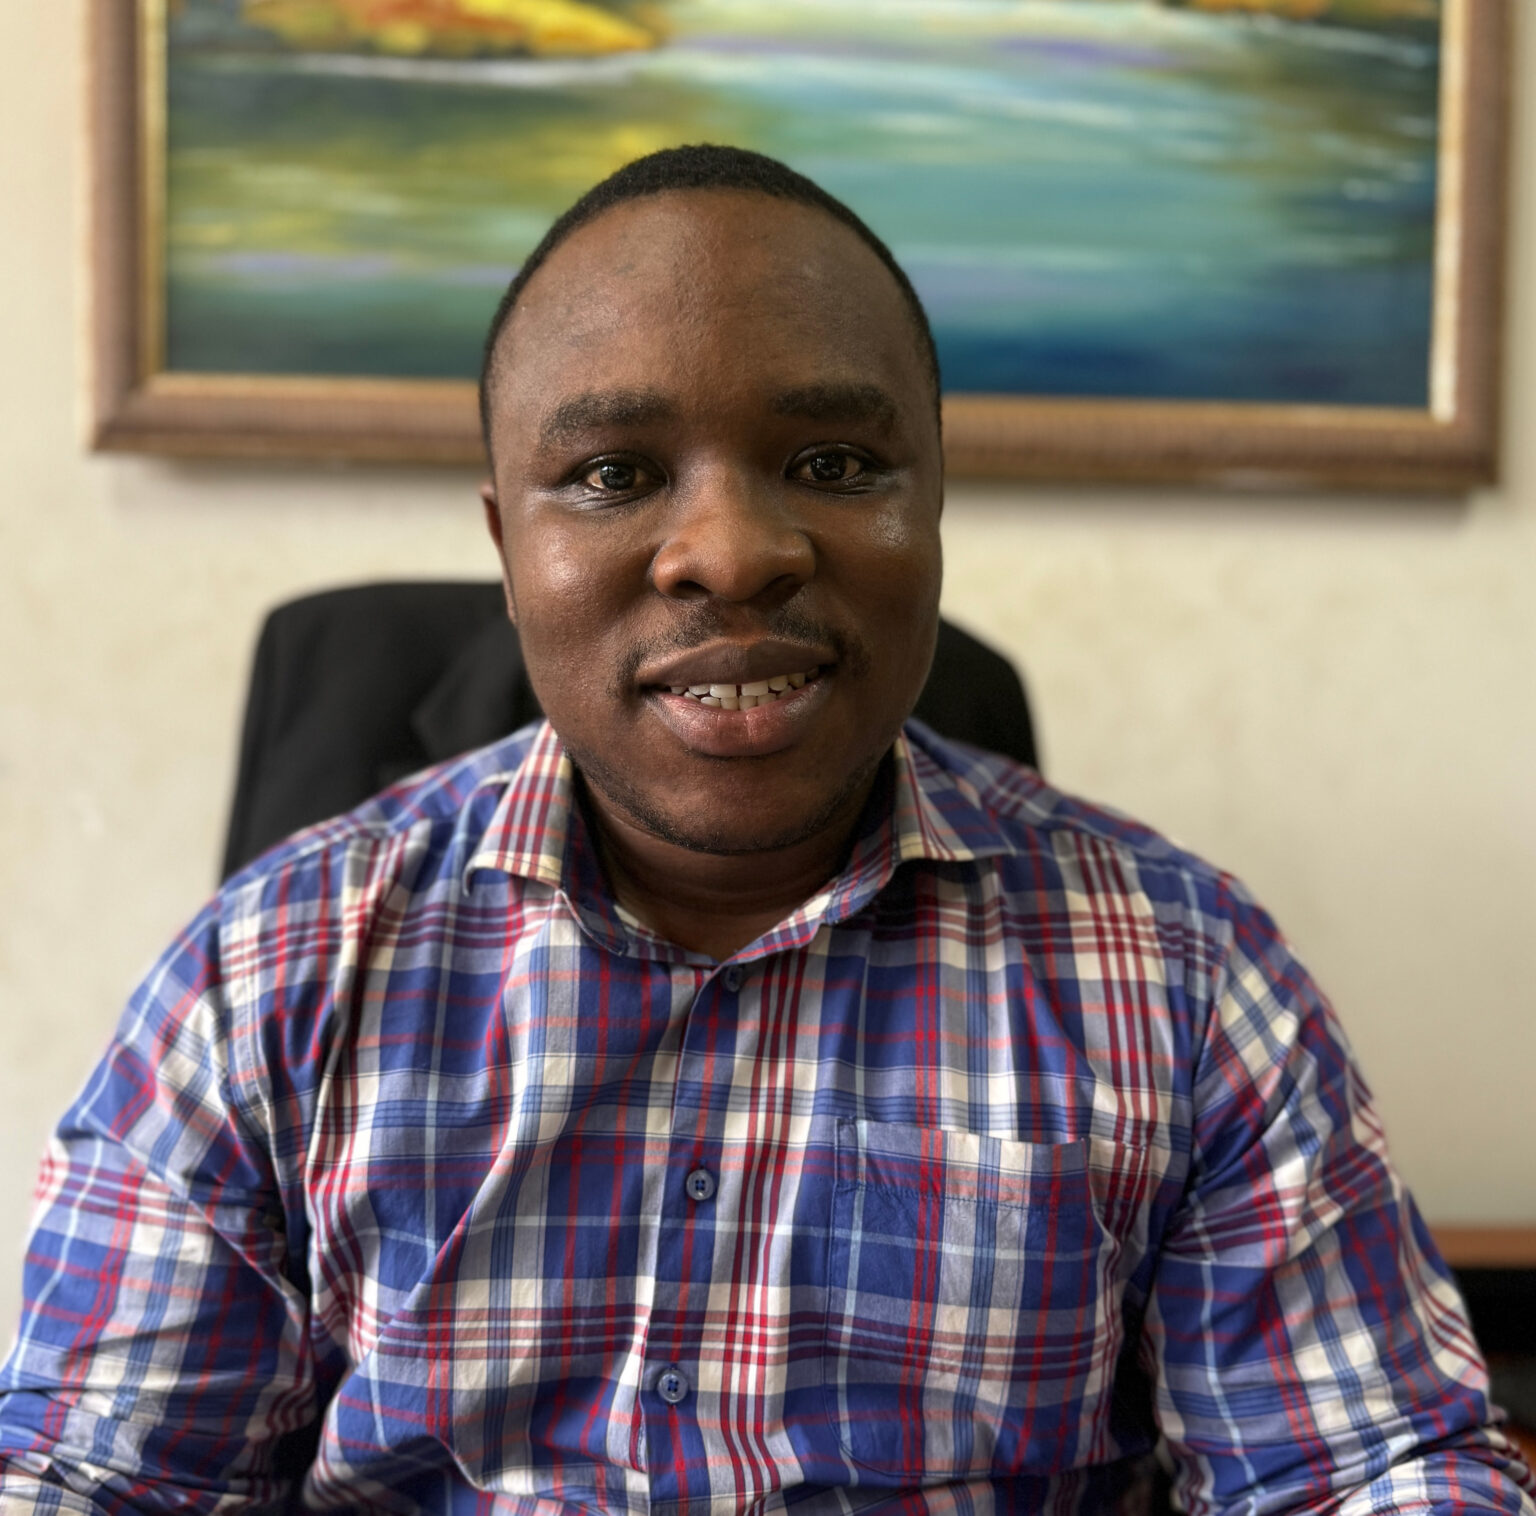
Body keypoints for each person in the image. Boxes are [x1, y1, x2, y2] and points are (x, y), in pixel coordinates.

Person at [0, 145, 1530, 1516]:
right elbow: (88, 1475)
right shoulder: (270, 973)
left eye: (834, 464)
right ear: (508, 550)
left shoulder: (1185, 976)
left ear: (935, 502)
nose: (731, 553)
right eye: (612, 475)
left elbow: (1370, 1465)